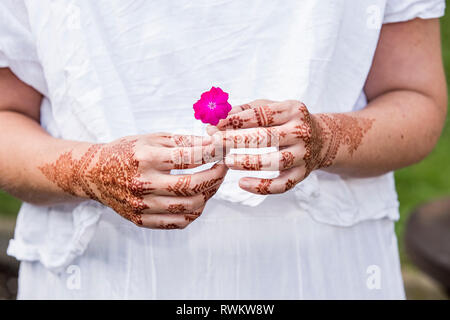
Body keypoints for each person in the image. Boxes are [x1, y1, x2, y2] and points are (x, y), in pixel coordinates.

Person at [0, 0, 447, 299]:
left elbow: (414, 96)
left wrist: (325, 139)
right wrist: (92, 172)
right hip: (105, 274)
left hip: (321, 270)